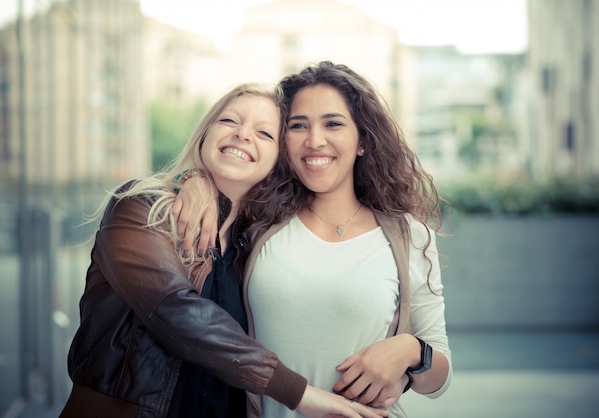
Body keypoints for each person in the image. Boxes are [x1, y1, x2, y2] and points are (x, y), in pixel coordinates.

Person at [59, 83, 389, 418]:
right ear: (205, 135)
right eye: (230, 121)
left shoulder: (258, 244)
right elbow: (178, 312)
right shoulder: (142, 208)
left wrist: (410, 351)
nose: (243, 135)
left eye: (264, 132)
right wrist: (298, 393)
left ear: (280, 159)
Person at [173, 62, 452, 418]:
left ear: (363, 140)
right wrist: (194, 179)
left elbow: (438, 381)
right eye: (298, 126)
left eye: (333, 124)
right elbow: (224, 171)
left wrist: (411, 351)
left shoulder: (408, 235)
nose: (314, 140)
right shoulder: (257, 222)